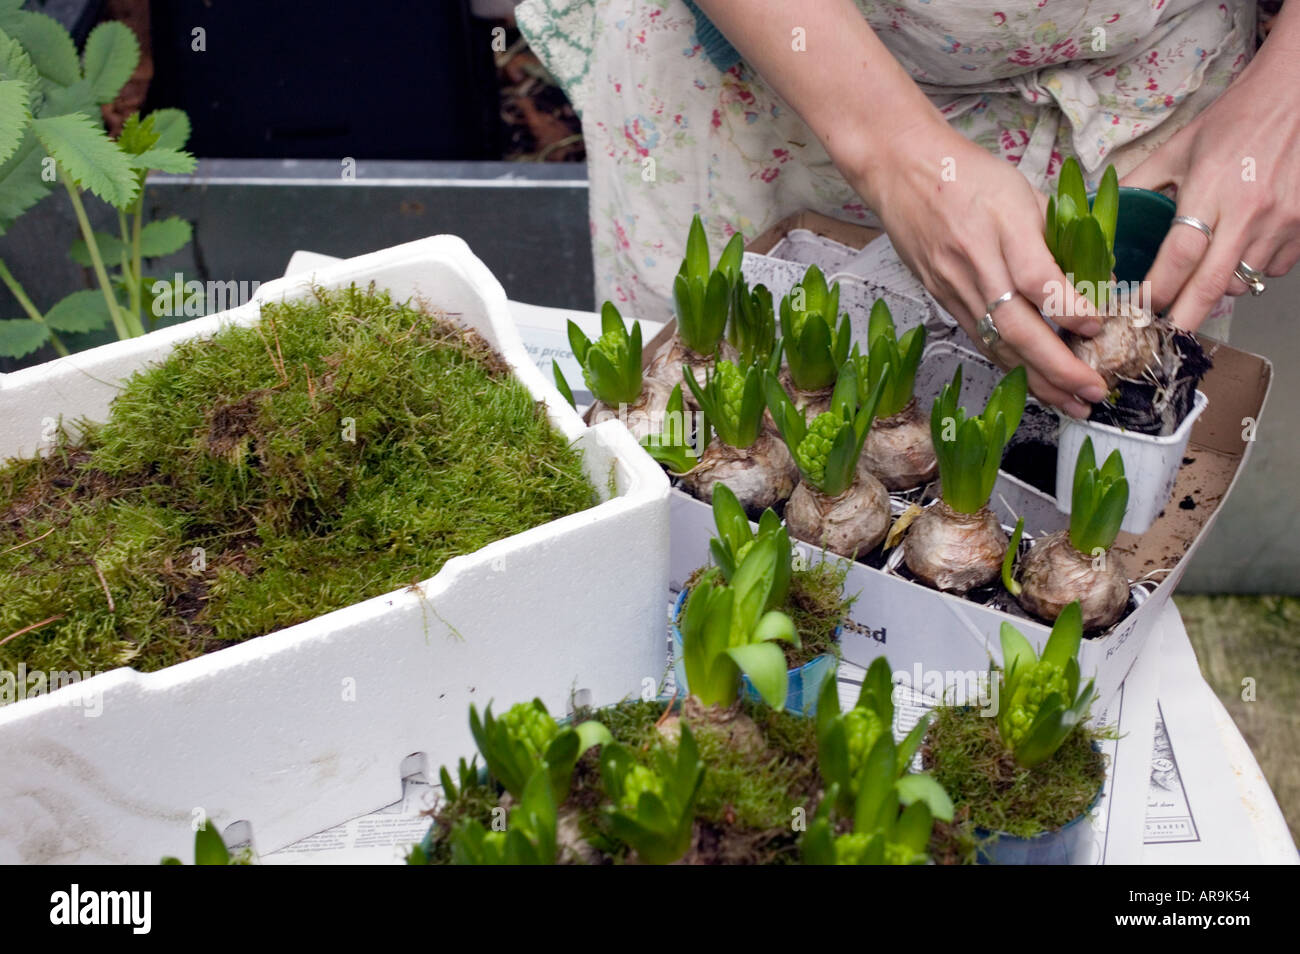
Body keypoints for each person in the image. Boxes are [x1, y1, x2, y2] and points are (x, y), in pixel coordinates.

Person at [517, 0, 1297, 417]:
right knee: (711, 450)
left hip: (1158, 95)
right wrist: (890, 147)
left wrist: (1288, 89)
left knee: (1116, 459)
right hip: (773, 82)